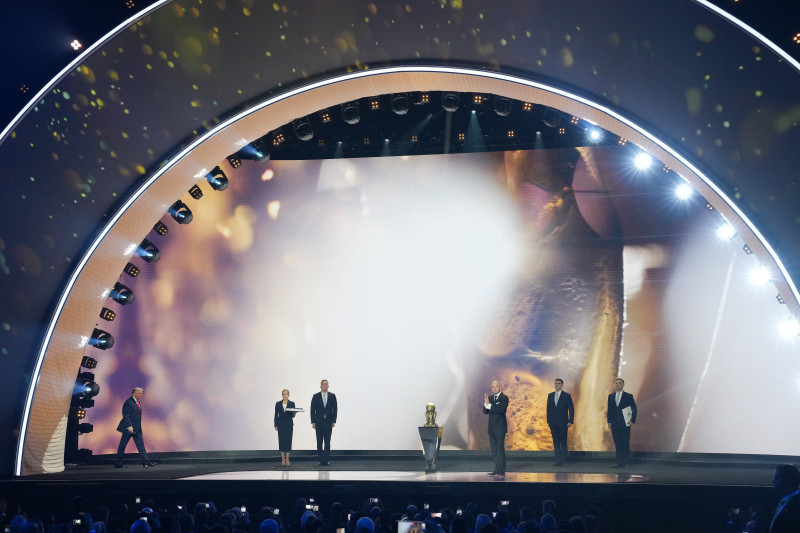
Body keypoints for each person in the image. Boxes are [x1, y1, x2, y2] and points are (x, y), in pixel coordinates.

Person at [114, 387, 156, 468]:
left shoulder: (137, 402)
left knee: (141, 446)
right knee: (122, 445)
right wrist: (129, 427)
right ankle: (118, 463)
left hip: (137, 428)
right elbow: (126, 415)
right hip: (128, 429)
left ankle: (146, 462)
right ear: (134, 393)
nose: (141, 395)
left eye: (141, 393)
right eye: (139, 393)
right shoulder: (128, 402)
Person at [606, 378, 636, 468]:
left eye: (619, 383)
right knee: (617, 443)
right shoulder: (610, 396)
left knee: (625, 443)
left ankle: (625, 462)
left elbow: (634, 408)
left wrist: (632, 420)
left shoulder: (628, 396)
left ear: (623, 385)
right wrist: (609, 422)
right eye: (616, 383)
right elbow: (609, 410)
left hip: (625, 423)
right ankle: (619, 463)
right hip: (615, 424)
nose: (618, 385)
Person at [482, 380, 508, 476]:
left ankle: (502, 468)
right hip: (492, 428)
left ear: (500, 387)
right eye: (492, 387)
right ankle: (497, 468)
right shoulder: (490, 398)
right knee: (494, 449)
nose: (494, 388)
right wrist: (486, 403)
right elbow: (485, 411)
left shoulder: (504, 398)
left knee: (499, 448)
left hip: (500, 428)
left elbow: (501, 410)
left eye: (496, 386)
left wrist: (489, 405)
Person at [546, 378, 574, 466]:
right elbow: (548, 409)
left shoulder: (566, 395)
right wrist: (548, 421)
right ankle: (558, 460)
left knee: (563, 441)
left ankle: (564, 459)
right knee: (556, 441)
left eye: (558, 383)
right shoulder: (550, 395)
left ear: (562, 385)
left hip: (563, 422)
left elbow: (571, 409)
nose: (556, 385)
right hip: (553, 423)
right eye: (555, 383)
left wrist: (570, 421)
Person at [310, 379, 337, 466]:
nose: (324, 385)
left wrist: (334, 420)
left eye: (326, 384)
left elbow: (335, 409)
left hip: (329, 422)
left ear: (328, 386)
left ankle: (326, 460)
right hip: (318, 422)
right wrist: (313, 421)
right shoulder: (315, 396)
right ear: (320, 386)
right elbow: (312, 409)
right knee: (319, 441)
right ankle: (320, 460)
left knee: (327, 442)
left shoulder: (332, 396)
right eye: (323, 384)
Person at [769, 463, 800, 533]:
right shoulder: (783, 502)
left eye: (776, 478)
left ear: (788, 481)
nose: (773, 481)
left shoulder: (797, 504)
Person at [274, 388, 297, 466]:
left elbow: (293, 416)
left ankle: (287, 459)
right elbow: (276, 415)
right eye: (283, 394)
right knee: (281, 441)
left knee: (288, 441)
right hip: (280, 424)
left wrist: (294, 413)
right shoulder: (278, 404)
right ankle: (282, 460)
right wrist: (275, 425)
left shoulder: (292, 403)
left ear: (288, 395)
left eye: (286, 394)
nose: (285, 395)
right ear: (282, 395)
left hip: (289, 424)